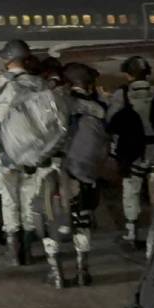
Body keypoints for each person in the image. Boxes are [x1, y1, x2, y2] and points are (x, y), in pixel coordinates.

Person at [0, 39, 46, 265]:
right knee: (29, 198)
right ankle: (28, 251)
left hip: (4, 152)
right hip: (33, 154)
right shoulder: (40, 84)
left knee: (9, 200)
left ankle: (13, 252)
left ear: (6, 59)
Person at [41, 63, 103, 289]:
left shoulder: (55, 103)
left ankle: (57, 274)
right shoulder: (97, 108)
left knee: (50, 222)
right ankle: (82, 272)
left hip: (53, 170)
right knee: (82, 221)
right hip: (84, 173)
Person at [107, 56, 154, 247]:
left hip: (133, 150)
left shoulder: (122, 94)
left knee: (131, 191)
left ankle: (132, 233)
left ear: (127, 74)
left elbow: (112, 121)